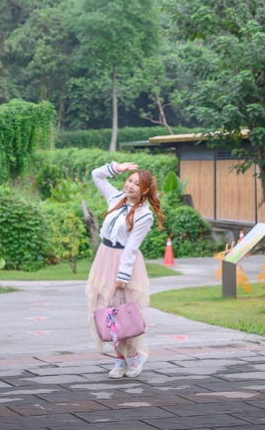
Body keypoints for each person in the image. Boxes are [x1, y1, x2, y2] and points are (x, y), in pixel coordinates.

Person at [87, 161, 164, 379]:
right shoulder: (115, 198)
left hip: (123, 261)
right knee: (106, 309)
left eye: (136, 184)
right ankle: (120, 358)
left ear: (145, 190)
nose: (130, 186)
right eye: (129, 181)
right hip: (104, 257)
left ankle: (135, 356)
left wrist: (123, 275)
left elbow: (132, 247)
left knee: (123, 311)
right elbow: (96, 175)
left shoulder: (144, 215)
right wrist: (116, 168)